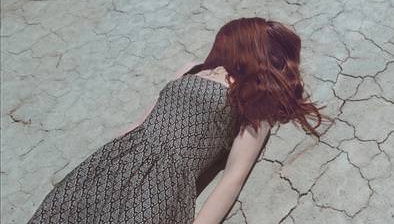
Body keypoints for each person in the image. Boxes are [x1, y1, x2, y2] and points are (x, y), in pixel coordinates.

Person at [27, 17, 325, 224]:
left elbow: (232, 179)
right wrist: (100, 161)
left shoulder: (256, 100)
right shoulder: (191, 68)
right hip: (118, 159)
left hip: (164, 182)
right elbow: (143, 120)